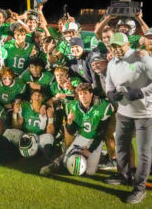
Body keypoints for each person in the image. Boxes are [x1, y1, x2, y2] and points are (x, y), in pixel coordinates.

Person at [104, 32, 152, 204]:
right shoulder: (111, 63)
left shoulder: (143, 58)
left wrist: (140, 92)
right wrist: (110, 94)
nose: (116, 49)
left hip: (145, 114)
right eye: (113, 46)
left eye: (119, 46)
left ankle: (140, 189)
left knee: (143, 152)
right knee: (121, 146)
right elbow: (108, 84)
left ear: (127, 44)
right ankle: (124, 176)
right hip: (123, 113)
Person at [40, 83, 112, 176]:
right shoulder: (73, 107)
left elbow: (101, 131)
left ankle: (101, 156)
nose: (83, 96)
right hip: (81, 137)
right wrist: (69, 122)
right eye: (80, 94)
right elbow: (72, 131)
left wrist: (90, 149)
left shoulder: (102, 107)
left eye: (85, 93)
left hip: (95, 140)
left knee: (90, 172)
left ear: (91, 94)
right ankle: (54, 164)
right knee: (66, 162)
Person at [4, 89, 55, 162]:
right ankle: (6, 155)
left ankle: (46, 161)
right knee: (8, 132)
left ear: (43, 98)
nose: (37, 97)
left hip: (38, 138)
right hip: (24, 136)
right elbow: (17, 126)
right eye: (35, 95)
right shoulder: (25, 106)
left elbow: (50, 132)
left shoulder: (46, 109)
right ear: (31, 97)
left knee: (49, 137)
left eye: (39, 95)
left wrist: (50, 118)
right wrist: (15, 113)